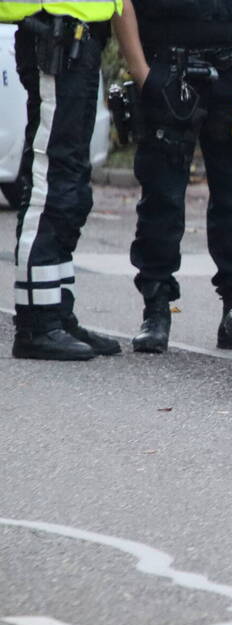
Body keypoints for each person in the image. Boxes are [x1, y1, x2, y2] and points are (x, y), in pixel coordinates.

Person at [112, 0, 232, 353]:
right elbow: (120, 4)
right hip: (167, 64)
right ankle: (156, 309)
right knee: (161, 196)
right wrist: (143, 75)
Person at [3, 0, 124, 360]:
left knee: (69, 184)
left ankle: (56, 310)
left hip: (77, 33)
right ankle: (37, 323)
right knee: (50, 180)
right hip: (54, 30)